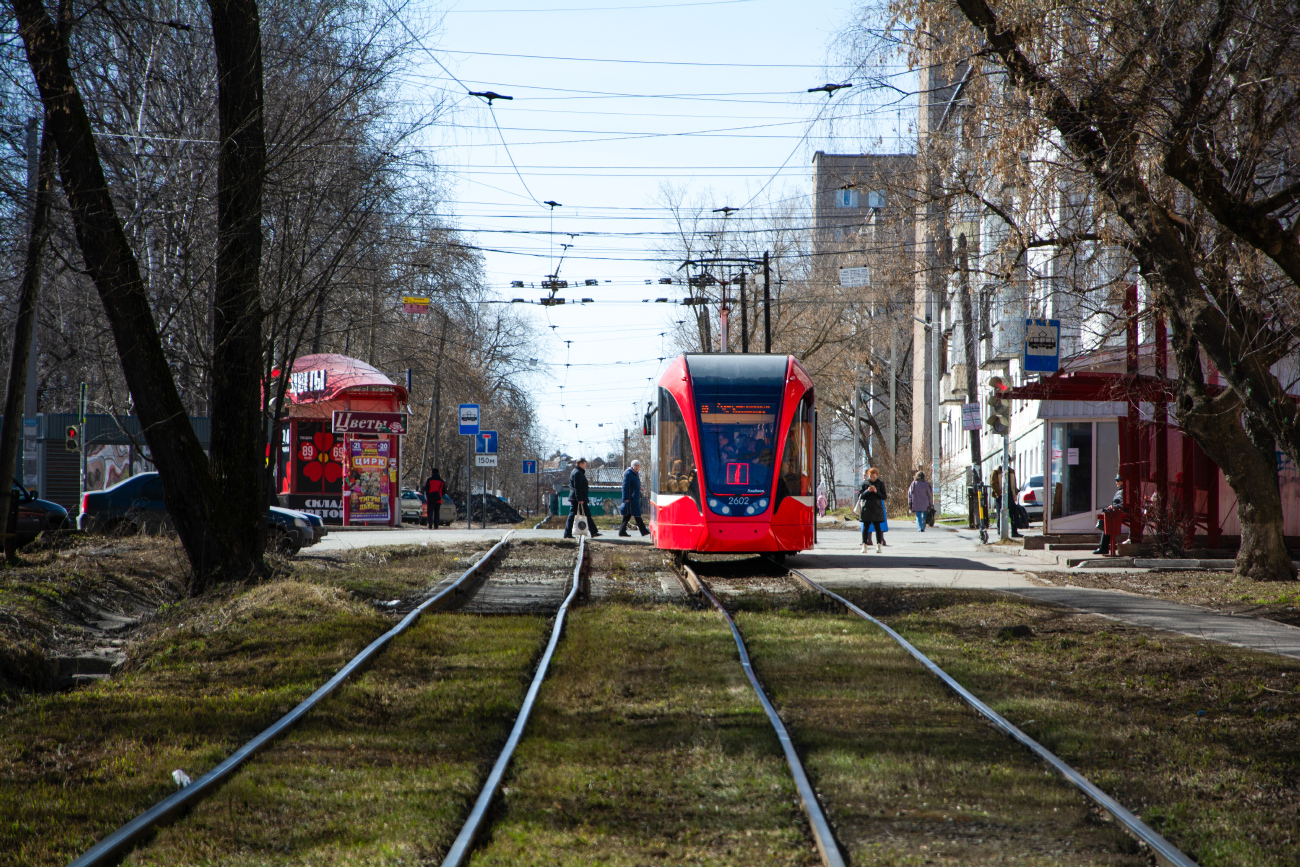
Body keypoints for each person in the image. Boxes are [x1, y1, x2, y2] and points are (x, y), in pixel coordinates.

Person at [563, 458, 601, 538]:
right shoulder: (577, 473)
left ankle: (593, 532)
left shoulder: (577, 472)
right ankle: (567, 533)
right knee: (573, 515)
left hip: (579, 498)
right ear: (580, 464)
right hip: (578, 499)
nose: (585, 466)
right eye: (584, 464)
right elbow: (577, 487)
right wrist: (579, 499)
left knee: (586, 514)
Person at [858, 467, 888, 553]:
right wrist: (867, 491)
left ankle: (878, 546)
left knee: (878, 528)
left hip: (877, 508)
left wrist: (876, 491)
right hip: (867, 508)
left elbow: (884, 496)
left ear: (877, 476)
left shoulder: (880, 483)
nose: (872, 478)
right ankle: (864, 545)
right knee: (865, 527)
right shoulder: (865, 483)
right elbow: (860, 496)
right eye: (871, 476)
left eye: (874, 477)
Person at [618, 459, 650, 537]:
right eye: (636, 465)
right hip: (630, 498)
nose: (637, 467)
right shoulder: (629, 474)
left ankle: (622, 531)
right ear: (632, 466)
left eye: (638, 466)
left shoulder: (635, 474)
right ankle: (644, 531)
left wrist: (639, 487)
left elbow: (634, 484)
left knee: (627, 515)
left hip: (633, 497)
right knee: (637, 514)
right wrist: (625, 497)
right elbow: (625, 486)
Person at [1094, 475, 1124, 554]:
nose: (1116, 483)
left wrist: (1113, 507)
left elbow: (1122, 504)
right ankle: (1103, 547)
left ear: (1123, 481)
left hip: (1119, 513)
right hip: (1117, 512)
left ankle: (1103, 547)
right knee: (1106, 524)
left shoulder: (1122, 491)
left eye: (1118, 481)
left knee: (1107, 523)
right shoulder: (1120, 491)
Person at [989, 465, 1021, 538]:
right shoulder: (996, 470)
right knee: (1000, 514)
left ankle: (1014, 532)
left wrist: (1015, 493)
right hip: (1000, 496)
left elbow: (1013, 483)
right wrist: (998, 492)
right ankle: (1000, 533)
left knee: (1013, 514)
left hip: (1010, 495)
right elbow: (993, 482)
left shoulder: (1011, 470)